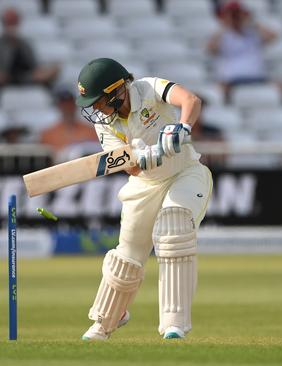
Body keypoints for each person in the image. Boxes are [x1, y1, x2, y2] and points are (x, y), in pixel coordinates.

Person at [74, 58, 212, 340]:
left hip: (185, 172)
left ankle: (174, 324)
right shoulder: (105, 125)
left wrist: (182, 127)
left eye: (98, 100)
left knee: (173, 228)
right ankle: (107, 319)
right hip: (144, 184)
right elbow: (131, 167)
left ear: (116, 91)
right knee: (127, 258)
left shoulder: (149, 88)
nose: (95, 108)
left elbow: (191, 100)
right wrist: (147, 156)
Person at [206, 1, 277, 103]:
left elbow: (272, 37)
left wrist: (252, 22)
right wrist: (226, 24)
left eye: (237, 14)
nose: (236, 18)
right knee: (222, 91)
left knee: (279, 87)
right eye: (233, 14)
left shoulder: (252, 33)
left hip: (256, 75)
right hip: (232, 79)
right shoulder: (223, 35)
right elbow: (210, 49)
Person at [0, 7, 59, 102]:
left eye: (14, 21)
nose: (12, 26)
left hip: (27, 82)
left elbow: (34, 69)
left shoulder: (25, 45)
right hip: (3, 87)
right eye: (9, 22)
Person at [39, 89, 98, 156]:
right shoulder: (48, 134)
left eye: (70, 104)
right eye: (64, 105)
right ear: (59, 107)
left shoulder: (91, 130)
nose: (67, 108)